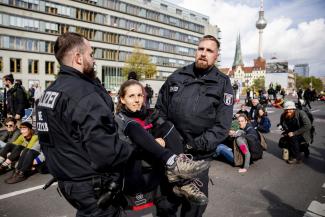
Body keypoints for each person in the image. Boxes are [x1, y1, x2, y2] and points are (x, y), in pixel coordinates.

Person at [36, 32, 208, 217]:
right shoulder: (85, 95)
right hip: (90, 186)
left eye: (140, 95)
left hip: (69, 183)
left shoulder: (50, 92)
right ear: (78, 58)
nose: (93, 60)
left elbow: (53, 142)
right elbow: (106, 153)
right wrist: (144, 148)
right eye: (91, 54)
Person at [155, 35, 233, 217]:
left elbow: (222, 126)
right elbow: (159, 111)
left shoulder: (223, 83)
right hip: (170, 156)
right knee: (165, 204)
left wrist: (191, 146)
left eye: (209, 50)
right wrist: (169, 139)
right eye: (201, 49)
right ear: (196, 51)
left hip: (197, 158)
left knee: (194, 208)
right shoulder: (177, 76)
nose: (204, 54)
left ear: (216, 56)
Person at [115, 79, 209, 205]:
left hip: (160, 167)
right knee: (133, 125)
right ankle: (174, 165)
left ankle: (182, 182)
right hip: (138, 167)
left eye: (140, 95)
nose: (137, 100)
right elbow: (123, 149)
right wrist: (153, 143)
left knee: (167, 125)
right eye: (131, 96)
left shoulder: (150, 114)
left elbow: (172, 136)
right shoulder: (118, 119)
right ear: (122, 99)